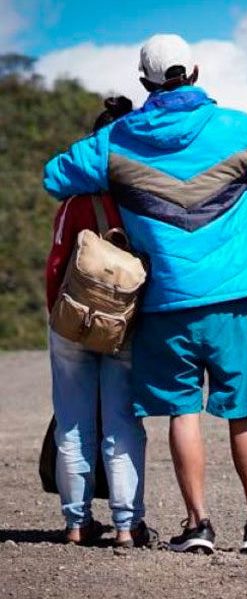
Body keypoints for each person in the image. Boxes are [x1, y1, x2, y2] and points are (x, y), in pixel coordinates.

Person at [43, 33, 247, 554]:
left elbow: (56, 176)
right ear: (197, 72)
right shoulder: (233, 128)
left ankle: (197, 525)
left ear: (145, 83)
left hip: (163, 305)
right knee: (241, 412)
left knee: (183, 413)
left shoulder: (117, 140)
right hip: (229, 302)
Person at [46, 96, 157, 548]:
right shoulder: (143, 198)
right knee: (122, 425)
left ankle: (76, 522)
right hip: (124, 327)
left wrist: (61, 317)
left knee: (73, 423)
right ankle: (127, 525)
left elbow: (56, 264)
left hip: (71, 321)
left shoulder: (74, 201)